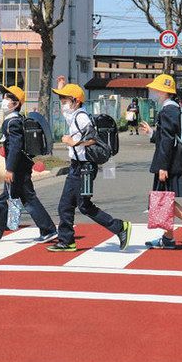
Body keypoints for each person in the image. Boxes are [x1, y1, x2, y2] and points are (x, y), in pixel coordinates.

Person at [48, 82, 131, 253]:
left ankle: (120, 227)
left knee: (84, 206)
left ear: (76, 101)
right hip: (75, 167)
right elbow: (66, 111)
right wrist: (61, 86)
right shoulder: (73, 114)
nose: (62, 102)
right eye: (61, 98)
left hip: (85, 168)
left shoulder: (81, 117)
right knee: (65, 205)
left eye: (65, 99)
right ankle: (66, 241)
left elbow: (93, 138)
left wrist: (74, 142)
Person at [0, 85, 58, 243]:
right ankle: (46, 229)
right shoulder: (14, 120)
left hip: (17, 169)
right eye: (4, 97)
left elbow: (15, 147)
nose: (4, 100)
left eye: (8, 98)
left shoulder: (13, 122)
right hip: (21, 167)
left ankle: (47, 229)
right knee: (15, 199)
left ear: (16, 104)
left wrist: (10, 169)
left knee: (18, 199)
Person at [139, 74, 182, 249]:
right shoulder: (174, 109)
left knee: (163, 198)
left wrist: (162, 166)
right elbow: (166, 137)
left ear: (163, 92)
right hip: (175, 159)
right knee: (164, 197)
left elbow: (168, 141)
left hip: (170, 162)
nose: (152, 92)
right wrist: (152, 134)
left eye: (155, 89)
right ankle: (168, 238)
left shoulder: (168, 111)